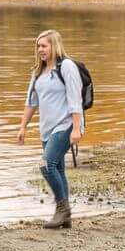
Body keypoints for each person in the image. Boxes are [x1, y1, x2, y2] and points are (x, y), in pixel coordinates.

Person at [16, 29, 83, 229]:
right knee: (58, 169)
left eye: (44, 45)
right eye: (38, 46)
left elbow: (75, 99)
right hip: (47, 128)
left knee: (46, 165)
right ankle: (66, 216)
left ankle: (62, 209)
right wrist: (22, 127)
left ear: (54, 46)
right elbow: (31, 103)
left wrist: (77, 129)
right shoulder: (37, 72)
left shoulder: (67, 67)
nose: (40, 50)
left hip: (66, 125)